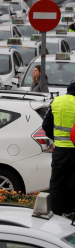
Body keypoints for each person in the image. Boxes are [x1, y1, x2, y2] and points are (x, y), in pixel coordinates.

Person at [42, 82, 75, 217]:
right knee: (73, 184)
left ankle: (56, 214)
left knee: (56, 184)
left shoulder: (57, 102)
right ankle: (71, 213)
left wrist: (55, 137)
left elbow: (46, 125)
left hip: (59, 150)